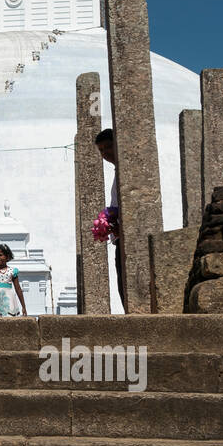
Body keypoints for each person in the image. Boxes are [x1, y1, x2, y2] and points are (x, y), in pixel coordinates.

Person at [95, 126, 125, 309]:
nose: (105, 153)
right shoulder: (117, 173)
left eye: (108, 147)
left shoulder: (126, 172)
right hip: (118, 238)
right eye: (101, 150)